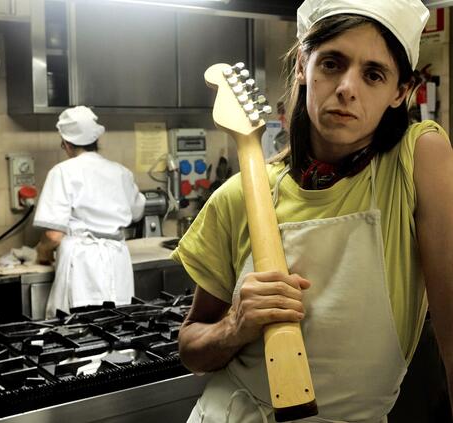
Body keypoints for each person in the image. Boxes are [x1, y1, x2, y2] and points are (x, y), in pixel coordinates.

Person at [172, 0, 453, 421]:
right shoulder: (239, 195)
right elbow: (191, 348)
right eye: (332, 64)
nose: (347, 87)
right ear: (304, 65)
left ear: (400, 92)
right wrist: (235, 325)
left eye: (373, 74)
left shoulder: (416, 162)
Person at [34, 106, 146, 317]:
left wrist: (42, 252)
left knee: (79, 333)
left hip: (82, 264)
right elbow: (137, 212)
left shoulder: (62, 172)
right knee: (117, 326)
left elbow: (53, 235)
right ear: (95, 141)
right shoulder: (121, 172)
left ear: (66, 144)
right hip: (117, 261)